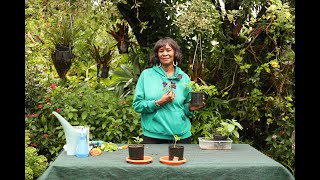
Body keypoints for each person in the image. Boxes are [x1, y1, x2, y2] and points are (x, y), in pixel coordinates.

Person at [132, 37, 205, 144]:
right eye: (161, 51)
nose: (165, 54)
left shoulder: (183, 77)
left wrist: (190, 108)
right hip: (153, 136)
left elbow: (186, 108)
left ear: (175, 53)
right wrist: (158, 102)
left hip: (181, 136)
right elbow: (137, 105)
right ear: (157, 55)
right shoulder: (146, 75)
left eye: (168, 50)